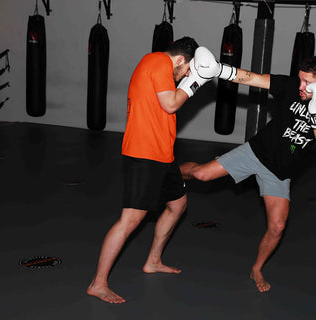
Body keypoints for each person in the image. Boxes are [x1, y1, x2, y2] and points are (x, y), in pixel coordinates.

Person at [180, 49, 316, 293]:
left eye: (308, 83)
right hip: (256, 152)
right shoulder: (290, 86)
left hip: (280, 171)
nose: (301, 86)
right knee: (201, 174)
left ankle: (256, 268)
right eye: (300, 79)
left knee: (277, 226)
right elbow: (253, 78)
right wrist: (219, 70)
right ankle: (169, 171)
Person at [87, 37, 211, 304]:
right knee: (129, 221)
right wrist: (195, 82)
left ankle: (153, 261)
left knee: (178, 205)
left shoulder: (159, 66)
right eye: (188, 69)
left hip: (162, 155)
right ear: (180, 60)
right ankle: (98, 283)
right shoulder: (157, 62)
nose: (186, 75)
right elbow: (170, 104)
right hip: (144, 154)